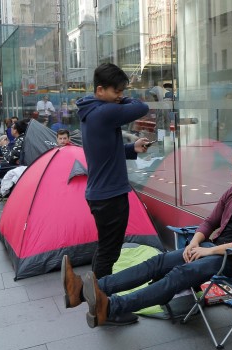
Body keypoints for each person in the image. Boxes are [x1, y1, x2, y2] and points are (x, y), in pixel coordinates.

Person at [61, 144, 232, 328]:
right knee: (157, 262)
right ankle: (79, 291)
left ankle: (110, 307)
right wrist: (194, 242)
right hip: (211, 249)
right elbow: (210, 222)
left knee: (178, 275)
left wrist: (209, 250)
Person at [77, 64, 150, 308]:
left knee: (105, 247)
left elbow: (105, 151)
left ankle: (93, 291)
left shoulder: (93, 109)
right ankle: (102, 305)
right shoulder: (103, 112)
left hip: (101, 193)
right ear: (100, 89)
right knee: (110, 252)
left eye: (122, 91)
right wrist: (123, 100)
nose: (120, 96)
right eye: (117, 91)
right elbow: (142, 107)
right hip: (110, 196)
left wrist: (132, 148)